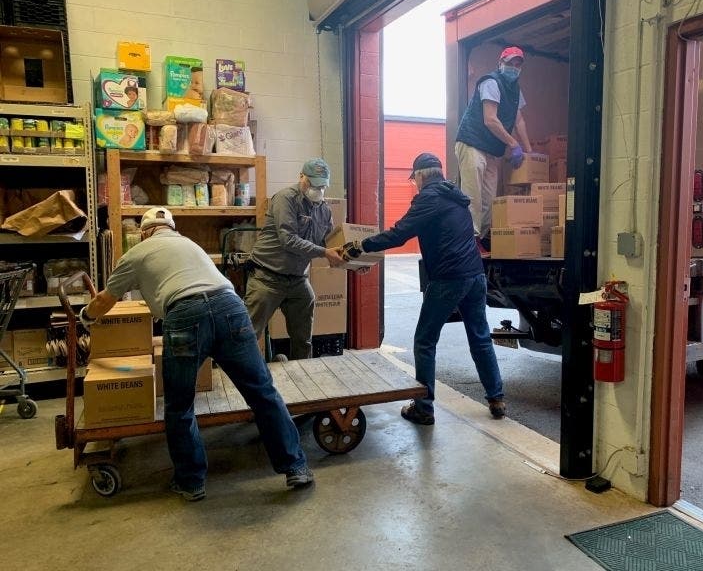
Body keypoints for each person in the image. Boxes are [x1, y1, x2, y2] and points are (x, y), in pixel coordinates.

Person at [78, 207, 314, 501]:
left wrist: (85, 317)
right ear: (173, 228)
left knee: (180, 404)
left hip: (185, 317)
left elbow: (104, 300)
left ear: (144, 232)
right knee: (262, 393)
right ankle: (296, 466)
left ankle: (191, 482)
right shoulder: (191, 244)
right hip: (231, 309)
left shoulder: (137, 253)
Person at [340, 153, 505, 425]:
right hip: (475, 276)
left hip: (448, 279)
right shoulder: (456, 195)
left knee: (424, 342)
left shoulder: (429, 198)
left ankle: (423, 407)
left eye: (414, 179)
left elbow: (399, 233)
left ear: (419, 175)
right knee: (480, 337)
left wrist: (359, 246)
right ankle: (496, 398)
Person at [245, 158, 346, 360]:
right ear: (302, 177)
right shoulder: (285, 199)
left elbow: (328, 244)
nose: (318, 189)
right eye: (313, 183)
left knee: (303, 338)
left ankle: (304, 377)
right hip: (267, 276)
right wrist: (325, 253)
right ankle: (241, 381)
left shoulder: (324, 210)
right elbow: (288, 240)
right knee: (247, 336)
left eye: (322, 185)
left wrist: (352, 261)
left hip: (298, 279)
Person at [454, 45, 533, 251]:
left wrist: (529, 151)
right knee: (473, 195)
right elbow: (490, 119)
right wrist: (513, 143)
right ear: (500, 63)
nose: (514, 68)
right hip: (472, 142)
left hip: (490, 149)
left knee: (490, 197)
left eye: (518, 64)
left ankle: (485, 237)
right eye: (510, 64)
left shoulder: (515, 89)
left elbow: (519, 121)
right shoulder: (491, 82)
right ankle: (470, 242)